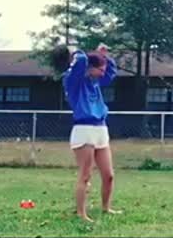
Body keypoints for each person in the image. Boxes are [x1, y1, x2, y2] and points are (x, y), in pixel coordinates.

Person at [62, 43, 120, 222]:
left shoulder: (96, 82)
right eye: (100, 70)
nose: (103, 73)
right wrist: (80, 51)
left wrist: (104, 56)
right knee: (86, 174)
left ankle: (106, 207)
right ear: (90, 68)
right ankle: (81, 213)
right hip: (83, 129)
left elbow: (110, 74)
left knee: (108, 175)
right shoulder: (73, 81)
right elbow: (80, 61)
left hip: (100, 128)